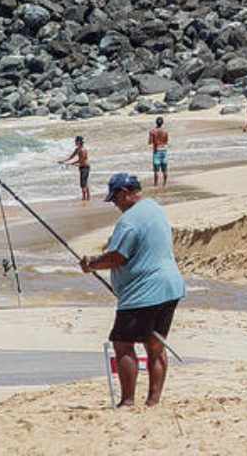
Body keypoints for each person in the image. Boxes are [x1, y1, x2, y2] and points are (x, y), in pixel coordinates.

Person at [80, 174, 186, 408]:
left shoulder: (129, 221)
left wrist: (92, 264)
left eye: (116, 198)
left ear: (126, 192)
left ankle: (127, 401)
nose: (115, 205)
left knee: (122, 343)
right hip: (171, 286)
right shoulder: (155, 209)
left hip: (144, 292)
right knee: (155, 346)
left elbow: (117, 256)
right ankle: (153, 401)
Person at [58, 135, 91, 202]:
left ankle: (84, 198)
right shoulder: (77, 149)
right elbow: (71, 157)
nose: (75, 142)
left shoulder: (82, 150)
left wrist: (72, 163)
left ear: (79, 142)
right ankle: (88, 197)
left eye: (76, 141)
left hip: (85, 167)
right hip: (82, 167)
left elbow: (82, 160)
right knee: (84, 183)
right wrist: (63, 161)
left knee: (83, 184)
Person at [148, 117, 169, 189]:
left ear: (156, 122)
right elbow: (166, 141)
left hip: (156, 151)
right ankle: (165, 184)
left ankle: (156, 185)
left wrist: (154, 139)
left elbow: (150, 142)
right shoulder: (165, 131)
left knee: (156, 170)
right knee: (165, 170)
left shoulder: (152, 131)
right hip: (163, 150)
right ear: (162, 123)